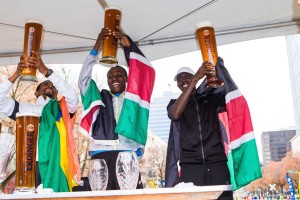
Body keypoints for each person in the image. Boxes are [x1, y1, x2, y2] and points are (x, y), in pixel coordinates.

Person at [77, 27, 155, 191]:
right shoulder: (99, 98)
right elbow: (83, 80)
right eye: (111, 76)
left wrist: (129, 47)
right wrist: (96, 49)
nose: (115, 79)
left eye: (119, 75)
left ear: (127, 78)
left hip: (128, 156)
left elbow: (143, 73)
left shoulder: (135, 98)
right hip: (101, 156)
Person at [0, 52, 79, 189]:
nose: (50, 86)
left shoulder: (62, 108)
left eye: (53, 85)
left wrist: (46, 72)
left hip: (57, 163)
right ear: (36, 92)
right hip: (31, 165)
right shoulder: (24, 109)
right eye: (45, 84)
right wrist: (17, 74)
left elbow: (73, 97)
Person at [165, 59, 234, 199]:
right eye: (180, 79)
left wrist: (218, 66)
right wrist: (195, 77)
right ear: (177, 85)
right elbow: (175, 114)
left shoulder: (211, 98)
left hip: (217, 162)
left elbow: (229, 91)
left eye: (187, 76)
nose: (183, 80)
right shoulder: (174, 104)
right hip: (190, 166)